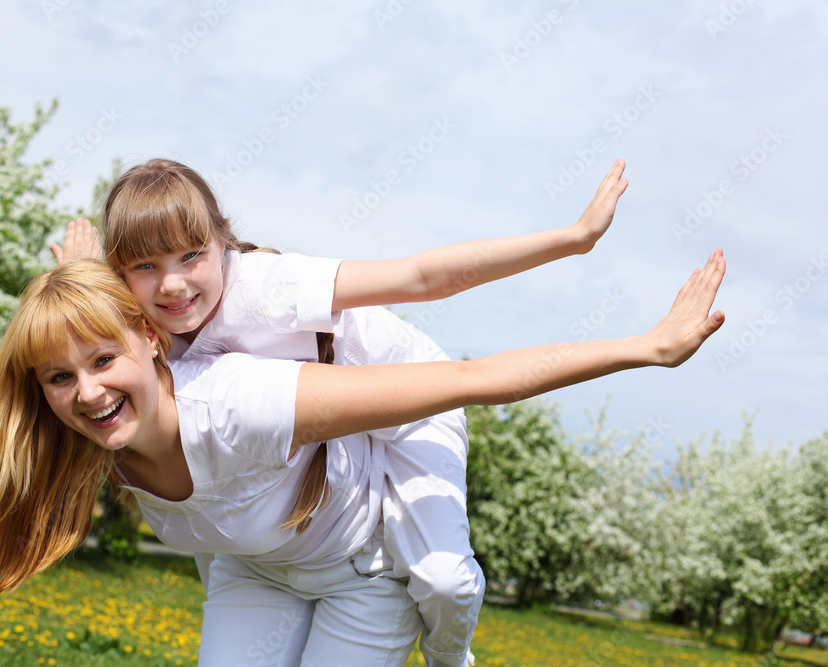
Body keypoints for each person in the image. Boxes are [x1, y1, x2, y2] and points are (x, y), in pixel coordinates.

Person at [0, 250, 726, 665]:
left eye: (103, 361)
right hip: (254, 570)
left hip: (360, 573)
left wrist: (646, 347)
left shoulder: (243, 401)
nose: (87, 392)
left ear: (151, 340)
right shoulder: (86, 432)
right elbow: (75, 325)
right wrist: (76, 261)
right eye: (60, 377)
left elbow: (470, 379)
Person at [49, 157, 630, 666]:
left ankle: (451, 657)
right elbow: (82, 331)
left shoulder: (265, 289)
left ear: (222, 242)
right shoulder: (149, 329)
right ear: (119, 273)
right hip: (318, 441)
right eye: (145, 266)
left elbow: (423, 278)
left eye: (191, 255)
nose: (172, 284)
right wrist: (76, 274)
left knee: (443, 580)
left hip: (414, 408)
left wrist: (572, 238)